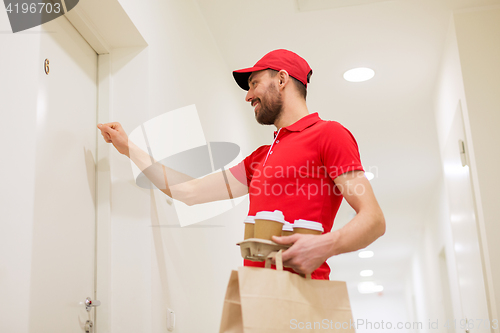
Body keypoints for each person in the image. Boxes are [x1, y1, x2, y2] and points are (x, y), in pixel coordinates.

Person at [97, 49, 385, 280]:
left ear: (282, 79)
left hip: (305, 294)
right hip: (256, 293)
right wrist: (129, 149)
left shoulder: (329, 135)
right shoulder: (261, 157)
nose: (248, 96)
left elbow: (373, 220)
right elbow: (191, 191)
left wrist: (324, 246)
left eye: (254, 84)